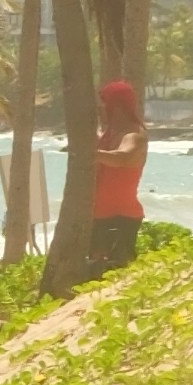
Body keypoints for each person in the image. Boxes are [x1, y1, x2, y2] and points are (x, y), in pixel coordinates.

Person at [78, 74, 149, 278]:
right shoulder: (109, 133)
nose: (101, 108)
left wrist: (92, 154)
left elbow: (123, 157)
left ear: (116, 106)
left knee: (115, 271)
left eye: (105, 103)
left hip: (120, 216)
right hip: (98, 215)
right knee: (94, 269)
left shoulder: (134, 135)